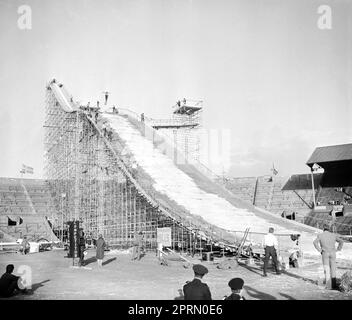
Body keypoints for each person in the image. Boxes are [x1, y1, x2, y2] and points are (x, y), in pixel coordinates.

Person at [313, 223, 344, 289]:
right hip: (333, 253)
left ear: (323, 228)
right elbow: (341, 241)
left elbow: (315, 242)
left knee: (327, 269)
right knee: (333, 269)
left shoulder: (320, 235)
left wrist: (320, 250)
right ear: (329, 228)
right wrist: (338, 249)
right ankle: (334, 285)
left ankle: (328, 285)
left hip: (325, 253)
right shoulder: (333, 235)